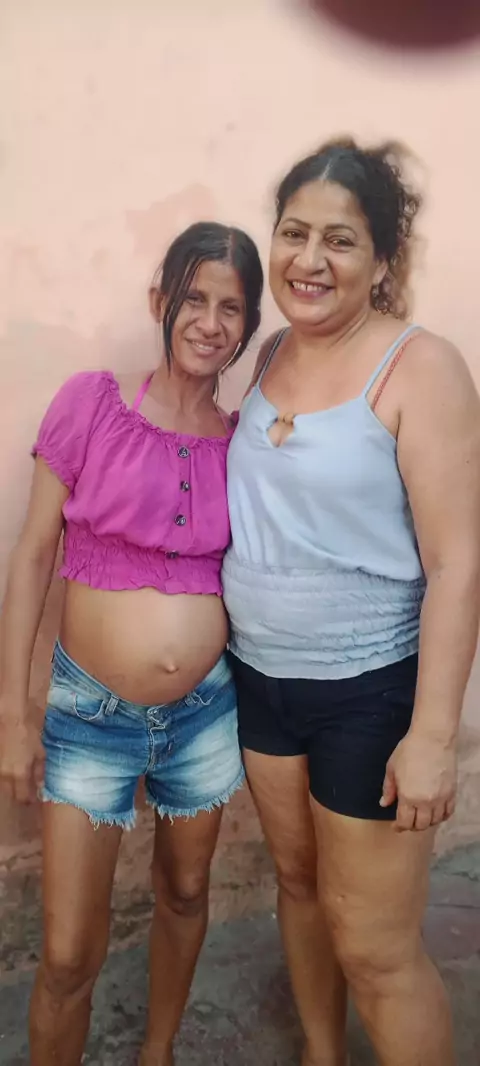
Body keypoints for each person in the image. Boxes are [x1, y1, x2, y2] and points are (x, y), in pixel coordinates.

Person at [223, 139, 480, 1066]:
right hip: (262, 681)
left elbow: (458, 563)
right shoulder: (270, 353)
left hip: (369, 694)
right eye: (294, 233)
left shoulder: (421, 367)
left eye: (340, 239)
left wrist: (434, 736)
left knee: (376, 948)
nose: (309, 259)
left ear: (381, 261)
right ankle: (322, 1057)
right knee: (298, 888)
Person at [0, 221, 263, 1066]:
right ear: (161, 300)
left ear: (248, 326)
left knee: (185, 891)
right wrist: (13, 716)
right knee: (68, 953)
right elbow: (33, 554)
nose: (210, 322)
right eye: (194, 298)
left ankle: (157, 1051)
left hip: (204, 715)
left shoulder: (243, 443)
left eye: (231, 307)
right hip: (90, 717)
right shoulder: (91, 404)